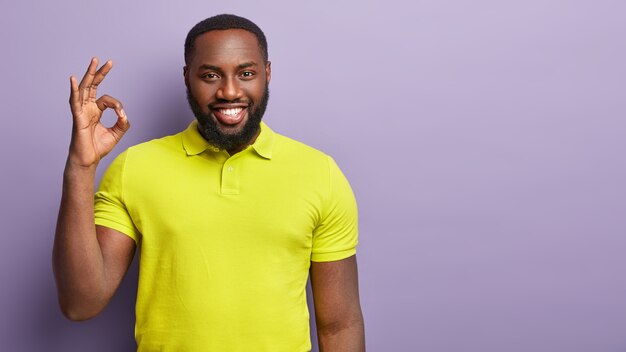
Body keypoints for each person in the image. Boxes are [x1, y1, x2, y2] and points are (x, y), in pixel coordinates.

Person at [53, 14, 365, 351]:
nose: (229, 91)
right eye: (210, 75)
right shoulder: (135, 168)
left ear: (267, 74)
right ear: (187, 78)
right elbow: (80, 303)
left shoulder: (320, 173)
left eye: (246, 73)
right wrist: (81, 167)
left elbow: (339, 325)